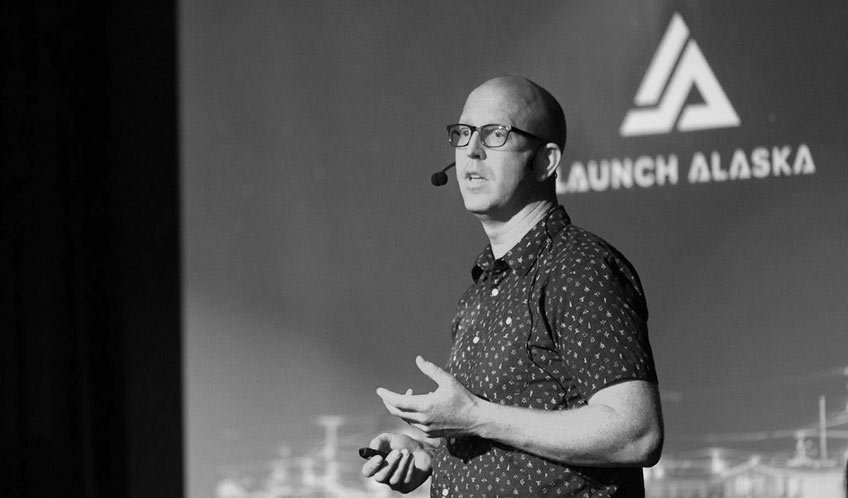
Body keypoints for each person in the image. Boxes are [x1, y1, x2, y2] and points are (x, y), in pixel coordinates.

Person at [362, 76, 663, 497]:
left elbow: (636, 432)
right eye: (463, 133)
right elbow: (503, 426)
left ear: (546, 161)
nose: (471, 150)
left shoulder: (578, 267)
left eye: (495, 134)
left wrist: (474, 418)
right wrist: (432, 450)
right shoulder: (483, 288)